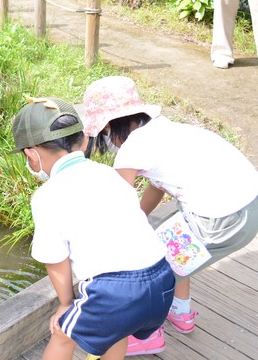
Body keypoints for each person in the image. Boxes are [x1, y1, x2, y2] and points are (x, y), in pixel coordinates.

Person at [82, 75, 258, 356]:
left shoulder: (130, 151)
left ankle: (149, 335)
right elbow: (155, 190)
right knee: (173, 245)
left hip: (224, 217)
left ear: (108, 125)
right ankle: (180, 312)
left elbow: (118, 206)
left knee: (154, 265)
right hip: (251, 204)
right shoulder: (161, 130)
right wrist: (141, 218)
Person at [10, 97, 175, 360]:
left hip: (117, 290)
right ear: (84, 141)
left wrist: (65, 304)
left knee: (64, 335)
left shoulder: (47, 196)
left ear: (31, 155)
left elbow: (55, 261)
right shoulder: (111, 175)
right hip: (163, 278)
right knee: (118, 328)